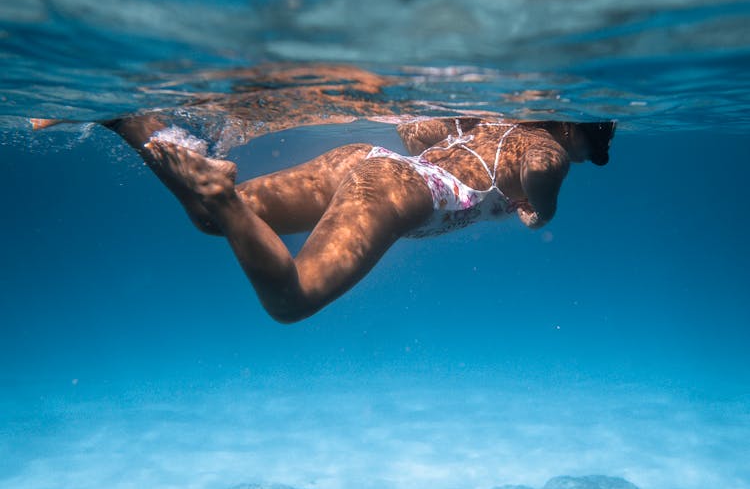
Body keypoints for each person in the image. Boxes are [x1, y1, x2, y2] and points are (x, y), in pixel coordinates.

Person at [106, 114, 615, 323]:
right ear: (570, 129)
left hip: (362, 162)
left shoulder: (489, 122)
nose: (585, 161)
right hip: (401, 190)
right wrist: (539, 211)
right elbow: (542, 165)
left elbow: (417, 133)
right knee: (290, 301)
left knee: (209, 220)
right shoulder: (545, 145)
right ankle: (220, 192)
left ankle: (129, 121)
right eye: (590, 151)